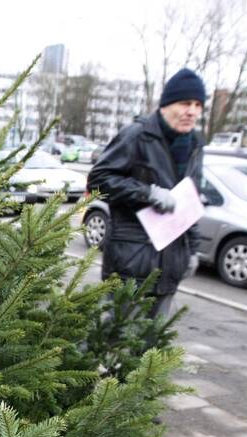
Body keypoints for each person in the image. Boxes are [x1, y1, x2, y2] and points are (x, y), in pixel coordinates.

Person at [87, 68, 206, 317]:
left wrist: (192, 250)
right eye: (185, 103)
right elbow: (99, 180)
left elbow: (190, 199)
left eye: (198, 105)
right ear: (166, 105)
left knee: (153, 347)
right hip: (132, 262)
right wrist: (148, 193)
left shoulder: (195, 144)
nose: (192, 111)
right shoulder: (137, 136)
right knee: (116, 340)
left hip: (171, 265)